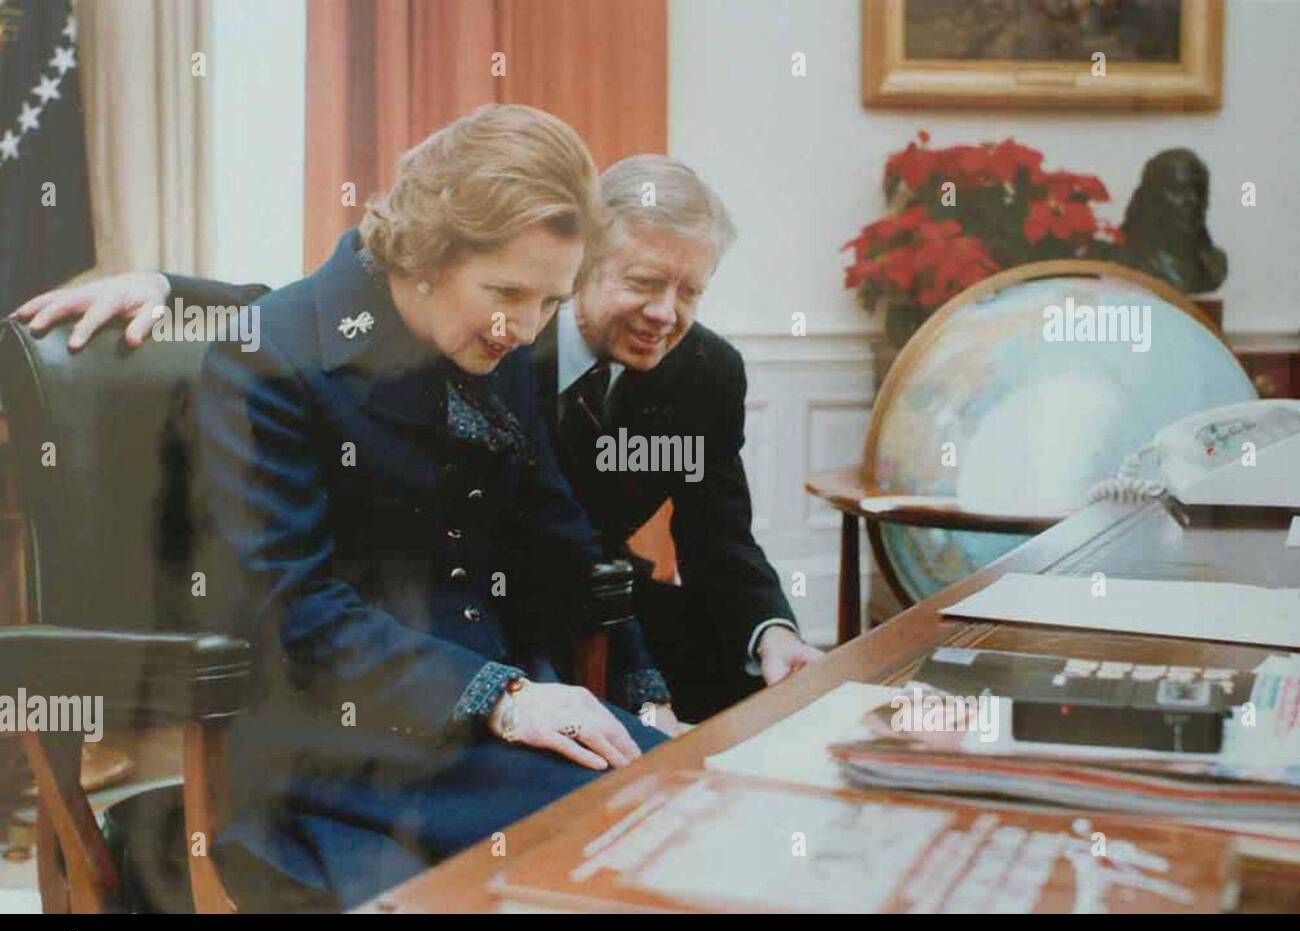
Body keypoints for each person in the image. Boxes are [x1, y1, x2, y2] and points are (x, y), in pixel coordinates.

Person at [67, 104, 686, 911]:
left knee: (677, 795)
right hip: (327, 741)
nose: (526, 327)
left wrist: (647, 695)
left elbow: (562, 539)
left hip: (486, 717)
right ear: (427, 254)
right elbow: (294, 611)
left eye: (550, 301)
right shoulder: (267, 353)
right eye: (507, 293)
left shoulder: (491, 339)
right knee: (616, 843)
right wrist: (501, 698)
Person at [13, 159, 823, 724]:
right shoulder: (491, 323)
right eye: (644, 283)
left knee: (754, 727)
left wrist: (772, 634)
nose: (666, 314)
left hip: (588, 595)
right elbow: (324, 315)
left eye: (691, 291)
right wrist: (168, 289)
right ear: (581, 263)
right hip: (444, 615)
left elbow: (718, 533)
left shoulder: (705, 370)